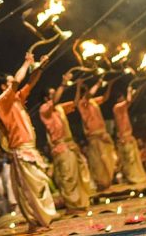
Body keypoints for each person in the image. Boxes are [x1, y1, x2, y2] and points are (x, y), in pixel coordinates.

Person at [0, 52, 57, 233]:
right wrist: (26, 62)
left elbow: (31, 82)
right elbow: (17, 81)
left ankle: (37, 221)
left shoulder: (17, 98)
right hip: (21, 150)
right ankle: (35, 222)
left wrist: (40, 66)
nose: (12, 84)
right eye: (8, 83)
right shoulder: (2, 101)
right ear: (2, 87)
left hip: (30, 149)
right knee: (31, 189)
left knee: (38, 186)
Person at [39, 72, 91, 212]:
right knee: (67, 177)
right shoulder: (44, 110)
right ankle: (72, 206)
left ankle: (79, 204)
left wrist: (78, 87)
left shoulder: (60, 108)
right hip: (61, 147)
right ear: (46, 98)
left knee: (77, 175)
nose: (54, 96)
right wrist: (63, 83)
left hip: (70, 145)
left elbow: (74, 104)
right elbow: (54, 101)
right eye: (51, 94)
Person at [74, 77, 118, 190]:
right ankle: (101, 184)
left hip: (103, 134)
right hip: (94, 137)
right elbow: (88, 96)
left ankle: (108, 182)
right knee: (98, 162)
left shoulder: (92, 102)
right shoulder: (82, 104)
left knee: (109, 159)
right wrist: (98, 83)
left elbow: (105, 98)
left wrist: (110, 86)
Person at [113, 84, 146, 184]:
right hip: (124, 137)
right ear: (119, 99)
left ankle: (136, 177)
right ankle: (132, 178)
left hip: (128, 136)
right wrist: (129, 90)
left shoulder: (123, 108)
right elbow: (128, 101)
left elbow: (130, 100)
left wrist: (140, 88)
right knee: (129, 159)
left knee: (134, 159)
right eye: (122, 98)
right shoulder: (116, 107)